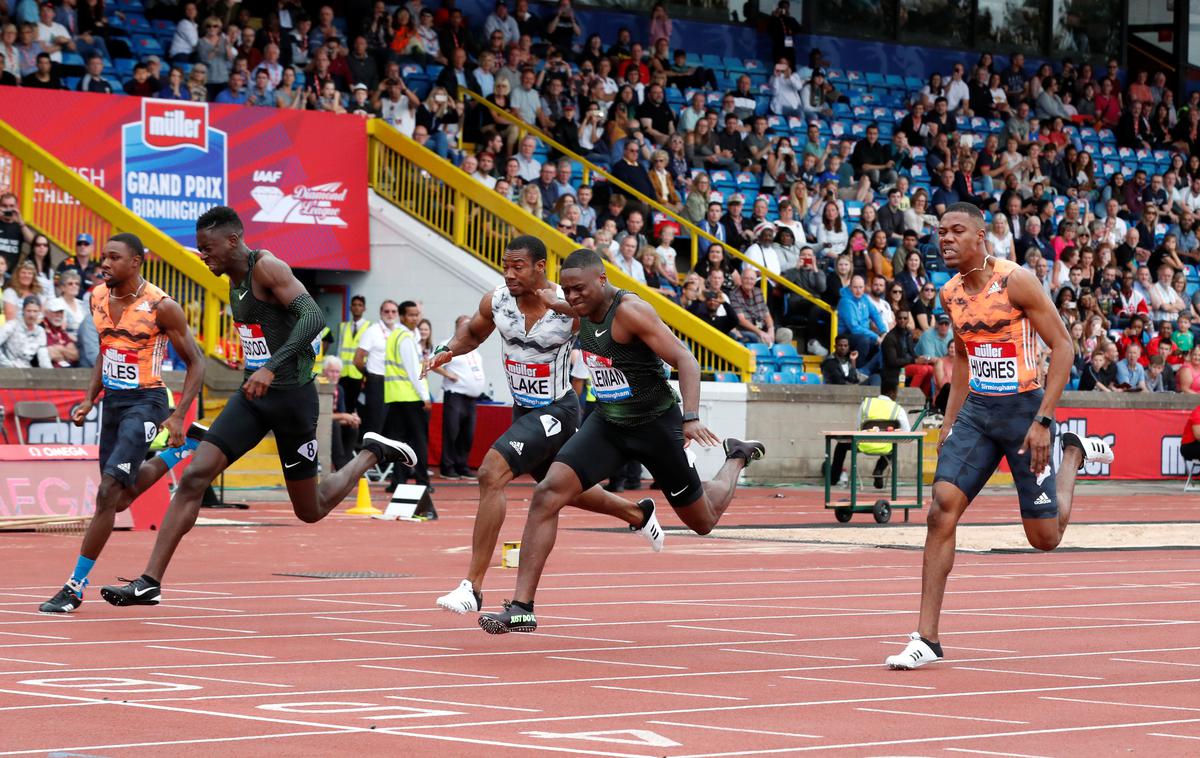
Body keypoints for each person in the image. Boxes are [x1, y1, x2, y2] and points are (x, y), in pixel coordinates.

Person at [98, 207, 417, 606]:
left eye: (208, 248)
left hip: (293, 401)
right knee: (196, 478)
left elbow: (314, 318)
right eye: (199, 249)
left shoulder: (267, 268)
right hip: (252, 398)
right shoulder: (231, 278)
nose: (203, 256)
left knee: (310, 510)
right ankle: (150, 581)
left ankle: (371, 452)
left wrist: (269, 367)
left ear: (233, 241)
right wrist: (257, 367)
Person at [478, 248, 766, 634]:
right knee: (547, 494)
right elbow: (566, 308)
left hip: (655, 428)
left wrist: (691, 417)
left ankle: (736, 457)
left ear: (602, 280)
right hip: (608, 424)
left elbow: (686, 359)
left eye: (578, 289)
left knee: (703, 520)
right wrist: (553, 299)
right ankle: (522, 607)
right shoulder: (577, 305)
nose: (572, 297)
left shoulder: (630, 310)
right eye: (567, 289)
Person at [885, 203, 1113, 671]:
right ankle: (926, 637)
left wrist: (1045, 422)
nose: (945, 239)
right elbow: (965, 359)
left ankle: (1070, 457)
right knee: (940, 509)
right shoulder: (950, 292)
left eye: (956, 231)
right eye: (940, 232)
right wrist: (949, 423)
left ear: (980, 236)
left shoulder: (1016, 281)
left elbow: (1064, 346)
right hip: (978, 413)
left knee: (1044, 538)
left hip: (1026, 412)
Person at [425, 237, 662, 615]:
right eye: (506, 265)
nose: (509, 273)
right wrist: (446, 350)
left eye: (518, 266)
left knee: (490, 473)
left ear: (540, 267)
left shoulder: (570, 309)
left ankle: (472, 586)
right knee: (561, 488)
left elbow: (616, 328)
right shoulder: (497, 300)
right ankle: (638, 513)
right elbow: (472, 333)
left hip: (558, 410)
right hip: (524, 411)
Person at [38, 234, 208, 613]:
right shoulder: (96, 297)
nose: (105, 263)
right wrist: (88, 398)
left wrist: (179, 413)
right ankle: (181, 449)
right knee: (118, 500)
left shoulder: (162, 307)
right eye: (104, 257)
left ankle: (74, 587)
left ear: (136, 262)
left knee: (106, 493)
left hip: (146, 402)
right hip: (113, 404)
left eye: (114, 258)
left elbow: (197, 361)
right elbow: (106, 351)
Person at [383, 300, 432, 491]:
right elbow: (414, 371)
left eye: (417, 315)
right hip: (411, 397)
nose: (415, 319)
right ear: (402, 317)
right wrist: (425, 396)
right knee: (419, 440)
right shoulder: (405, 337)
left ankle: (398, 481)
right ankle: (422, 481)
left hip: (395, 397)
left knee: (400, 442)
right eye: (411, 315)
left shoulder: (395, 335)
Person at [827, 377, 910, 488]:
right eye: (896, 392)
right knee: (893, 444)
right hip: (886, 448)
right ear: (892, 392)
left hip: (862, 444)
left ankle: (833, 479)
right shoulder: (898, 408)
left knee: (841, 445)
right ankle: (879, 469)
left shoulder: (866, 403)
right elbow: (907, 432)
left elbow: (858, 428)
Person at [437, 315, 486, 480]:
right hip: (455, 394)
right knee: (452, 431)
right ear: (457, 327)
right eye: (464, 325)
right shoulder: (448, 343)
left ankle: (461, 465)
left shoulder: (472, 346)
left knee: (467, 434)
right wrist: (448, 374)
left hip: (471, 398)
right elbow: (433, 362)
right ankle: (447, 466)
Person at [353, 300, 398, 439]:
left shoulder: (399, 331)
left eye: (393, 311)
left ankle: (385, 459)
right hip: (377, 381)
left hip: (394, 382)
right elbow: (358, 359)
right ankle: (370, 456)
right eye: (386, 311)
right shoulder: (372, 331)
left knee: (392, 423)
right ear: (381, 312)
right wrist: (369, 375)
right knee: (375, 422)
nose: (390, 314)